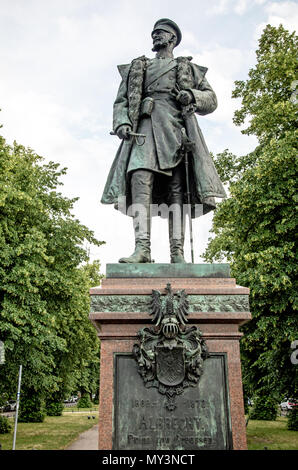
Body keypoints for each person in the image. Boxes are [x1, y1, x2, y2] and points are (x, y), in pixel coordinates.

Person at [101, 18, 226, 263]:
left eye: (160, 33)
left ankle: (177, 252)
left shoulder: (188, 69)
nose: (155, 36)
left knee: (176, 191)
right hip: (144, 130)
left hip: (176, 132)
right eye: (154, 33)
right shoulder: (139, 67)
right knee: (139, 180)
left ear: (172, 38)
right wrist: (123, 122)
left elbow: (211, 99)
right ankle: (142, 249)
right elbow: (122, 101)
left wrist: (190, 94)